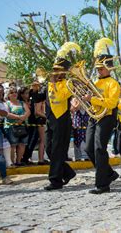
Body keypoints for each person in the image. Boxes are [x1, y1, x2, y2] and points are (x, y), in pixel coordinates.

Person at [84, 38, 121, 194]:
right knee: (88, 148)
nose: (99, 71)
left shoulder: (114, 83)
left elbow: (112, 103)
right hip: (95, 116)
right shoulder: (95, 82)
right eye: (98, 68)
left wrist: (91, 99)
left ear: (109, 68)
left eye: (102, 68)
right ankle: (109, 173)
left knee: (99, 148)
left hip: (107, 117)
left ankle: (102, 184)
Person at [44, 43, 79, 190]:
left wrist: (55, 84)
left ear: (64, 71)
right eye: (54, 69)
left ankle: (55, 181)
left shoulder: (67, 84)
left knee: (58, 150)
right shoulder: (50, 84)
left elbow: (60, 97)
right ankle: (68, 172)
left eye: (58, 70)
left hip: (62, 119)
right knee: (49, 148)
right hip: (51, 118)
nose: (55, 72)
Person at [5, 86, 31, 166]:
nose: (14, 94)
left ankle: (18, 161)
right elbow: (7, 114)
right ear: (8, 95)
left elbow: (28, 112)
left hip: (22, 126)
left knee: (22, 144)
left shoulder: (22, 103)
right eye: (12, 92)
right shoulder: (7, 103)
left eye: (15, 92)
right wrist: (19, 117)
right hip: (11, 127)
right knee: (13, 145)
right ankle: (12, 163)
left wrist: (22, 119)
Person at [70, 97, 89, 161]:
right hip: (78, 123)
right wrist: (81, 100)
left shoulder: (89, 97)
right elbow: (73, 109)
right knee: (77, 140)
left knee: (87, 139)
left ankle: (87, 156)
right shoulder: (74, 99)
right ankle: (78, 157)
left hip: (87, 123)